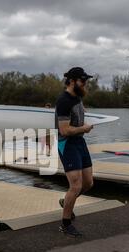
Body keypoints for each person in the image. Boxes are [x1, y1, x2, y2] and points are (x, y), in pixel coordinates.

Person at [55, 67, 94, 237]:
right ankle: (65, 223)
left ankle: (66, 202)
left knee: (88, 183)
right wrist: (83, 128)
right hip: (67, 143)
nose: (85, 84)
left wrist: (84, 114)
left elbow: (80, 111)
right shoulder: (63, 101)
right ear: (72, 81)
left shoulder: (77, 96)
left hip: (79, 141)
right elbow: (63, 130)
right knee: (76, 185)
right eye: (83, 81)